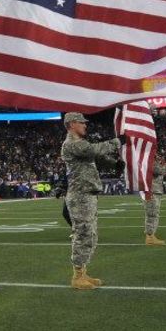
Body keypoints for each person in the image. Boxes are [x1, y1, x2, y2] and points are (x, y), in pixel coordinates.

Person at [60, 112, 122, 290]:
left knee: (90, 234)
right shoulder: (72, 143)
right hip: (80, 195)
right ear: (72, 124)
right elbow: (92, 151)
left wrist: (113, 163)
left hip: (87, 194)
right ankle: (77, 276)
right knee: (83, 233)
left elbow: (96, 158)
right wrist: (117, 142)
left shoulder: (79, 144)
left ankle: (83, 271)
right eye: (82, 123)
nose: (85, 125)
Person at [144, 150, 166, 245]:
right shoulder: (150, 161)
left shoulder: (153, 161)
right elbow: (160, 170)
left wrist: (163, 163)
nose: (158, 155)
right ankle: (150, 237)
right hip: (152, 191)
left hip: (155, 190)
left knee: (154, 213)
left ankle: (151, 235)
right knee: (152, 213)